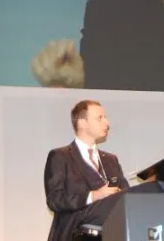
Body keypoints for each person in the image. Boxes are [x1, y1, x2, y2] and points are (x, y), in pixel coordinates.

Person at [44, 100, 127, 241]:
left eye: (105, 117)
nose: (107, 123)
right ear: (82, 123)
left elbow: (126, 196)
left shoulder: (111, 160)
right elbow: (55, 200)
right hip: (73, 234)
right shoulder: (60, 156)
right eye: (100, 118)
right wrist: (93, 196)